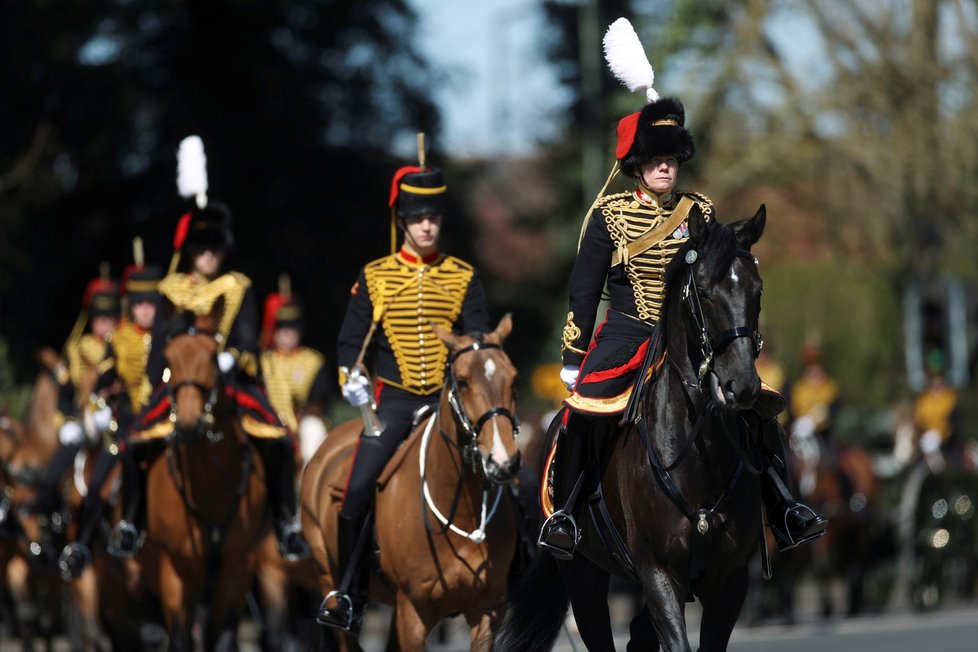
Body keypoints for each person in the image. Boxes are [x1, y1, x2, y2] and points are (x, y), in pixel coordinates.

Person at [538, 18, 826, 559]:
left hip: (691, 340)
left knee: (757, 408)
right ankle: (566, 516)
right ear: (636, 163)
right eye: (654, 156)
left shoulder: (702, 212)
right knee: (582, 413)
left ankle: (783, 504)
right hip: (625, 334)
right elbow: (584, 291)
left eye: (671, 156)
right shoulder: (608, 215)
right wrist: (575, 355)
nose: (665, 165)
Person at [108, 136, 311, 562]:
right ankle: (131, 522)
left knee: (278, 438)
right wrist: (155, 383)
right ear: (191, 251)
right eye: (201, 248)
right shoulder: (171, 289)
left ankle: (286, 523)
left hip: (230, 382)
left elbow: (249, 341)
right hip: (179, 381)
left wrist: (229, 357)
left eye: (213, 248)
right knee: (132, 443)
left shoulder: (239, 288)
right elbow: (159, 346)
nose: (207, 256)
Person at [316, 160, 490, 633]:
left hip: (447, 402)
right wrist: (350, 377)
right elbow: (352, 341)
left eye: (432, 216)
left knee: (503, 474)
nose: (426, 224)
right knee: (353, 491)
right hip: (393, 400)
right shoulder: (375, 276)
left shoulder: (462, 276)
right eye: (417, 217)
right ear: (403, 222)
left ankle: (511, 572)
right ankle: (349, 593)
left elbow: (477, 343)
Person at [58, 262, 162, 579]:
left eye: (151, 304)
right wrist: (101, 403)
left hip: (162, 420)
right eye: (140, 304)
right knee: (96, 484)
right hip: (127, 422)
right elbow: (102, 380)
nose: (146, 311)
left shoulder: (168, 335)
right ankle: (84, 544)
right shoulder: (118, 338)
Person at [31, 272, 120, 550]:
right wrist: (70, 417)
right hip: (82, 422)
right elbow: (68, 392)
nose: (104, 324)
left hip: (113, 426)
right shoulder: (77, 348)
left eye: (109, 319)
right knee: (52, 473)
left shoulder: (122, 348)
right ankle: (50, 523)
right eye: (99, 319)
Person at [259, 277, 333, 466]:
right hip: (266, 421)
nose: (287, 333)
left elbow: (320, 402)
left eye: (292, 327)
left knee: (313, 431)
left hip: (302, 422)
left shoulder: (313, 361)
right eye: (282, 327)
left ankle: (310, 487)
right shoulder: (261, 362)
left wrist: (298, 422)